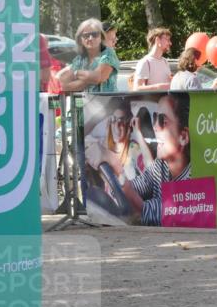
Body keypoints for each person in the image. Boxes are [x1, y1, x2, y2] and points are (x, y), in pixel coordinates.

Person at [121, 93, 191, 226]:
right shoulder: (161, 166)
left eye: (162, 121)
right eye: (154, 119)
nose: (155, 127)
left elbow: (147, 211)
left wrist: (116, 171)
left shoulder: (193, 177)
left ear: (183, 137)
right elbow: (138, 185)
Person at [58, 18, 119, 93]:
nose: (90, 38)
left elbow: (98, 77)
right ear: (80, 39)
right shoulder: (79, 59)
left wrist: (76, 73)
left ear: (101, 37)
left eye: (95, 35)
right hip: (83, 103)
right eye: (86, 35)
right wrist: (90, 78)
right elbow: (64, 86)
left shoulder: (108, 53)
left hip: (107, 103)